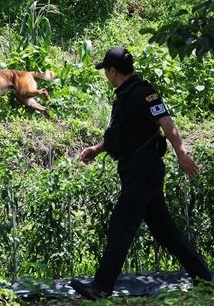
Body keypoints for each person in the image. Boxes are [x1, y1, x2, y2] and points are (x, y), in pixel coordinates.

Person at [71, 47, 213, 300]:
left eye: (105, 70)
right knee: (166, 232)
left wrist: (182, 155)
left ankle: (100, 287)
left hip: (143, 172)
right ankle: (206, 279)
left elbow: (167, 123)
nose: (105, 74)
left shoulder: (145, 93)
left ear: (113, 70)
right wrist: (97, 149)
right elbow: (124, 135)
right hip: (136, 170)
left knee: (120, 226)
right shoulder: (125, 95)